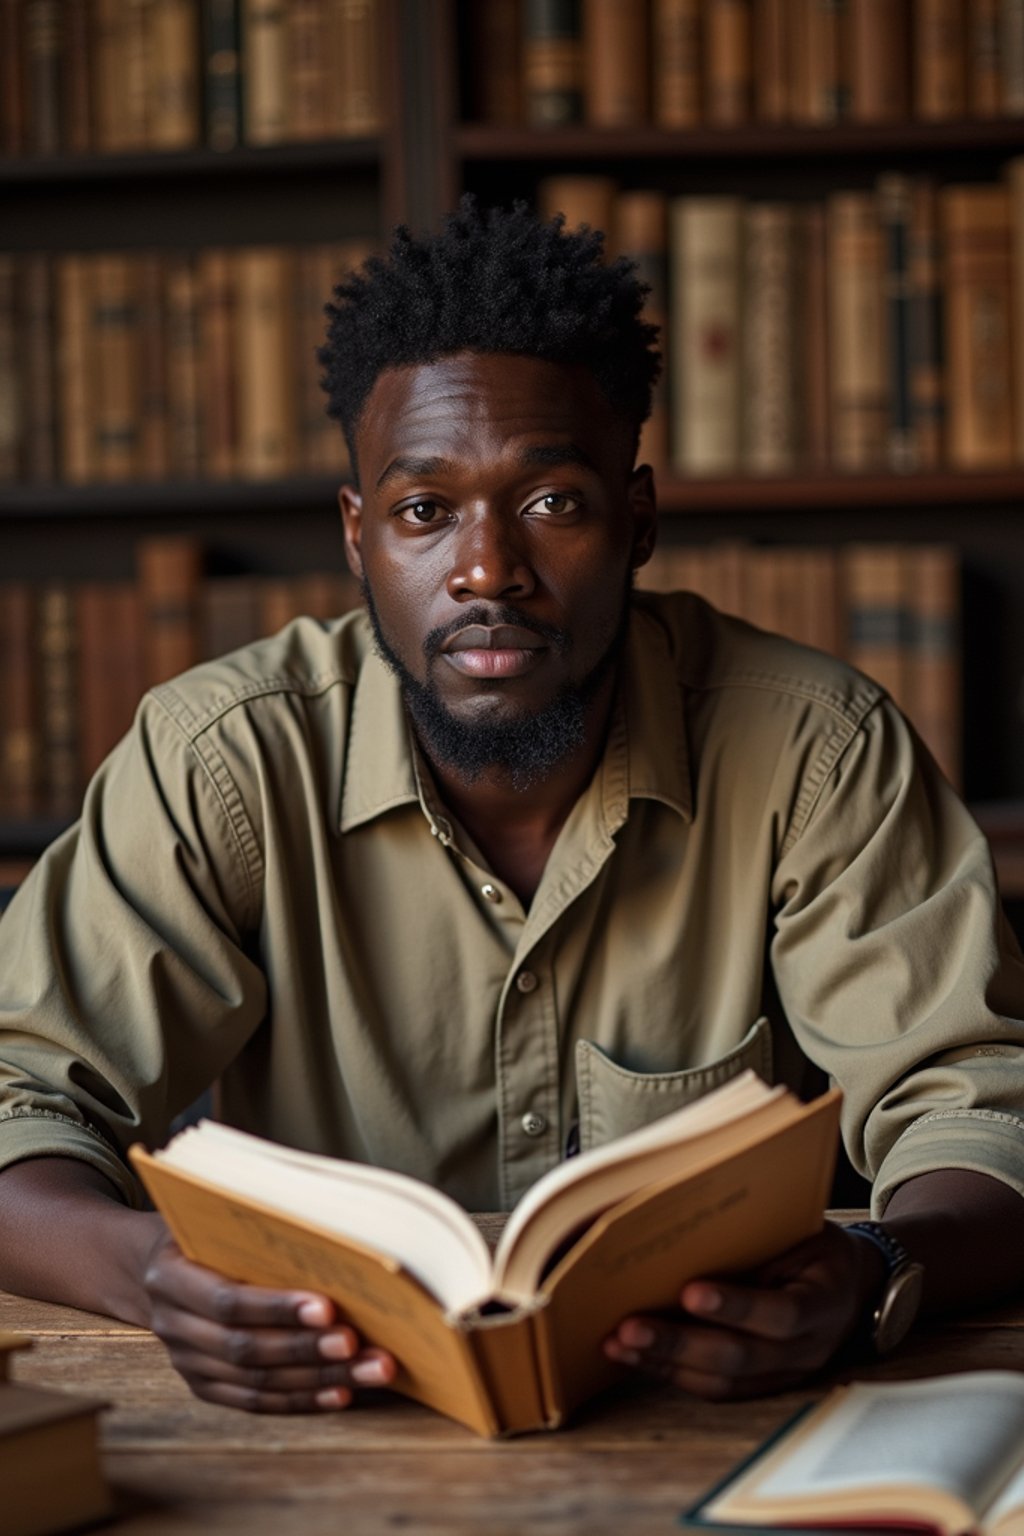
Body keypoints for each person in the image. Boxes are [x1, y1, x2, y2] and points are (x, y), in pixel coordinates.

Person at [1, 200, 1023, 1416]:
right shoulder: (223, 757)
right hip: (336, 1423)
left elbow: (977, 1108)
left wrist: (870, 1269)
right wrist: (153, 1272)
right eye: (424, 511)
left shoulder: (813, 748)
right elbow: (23, 1098)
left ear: (635, 520)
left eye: (551, 503)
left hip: (724, 1416)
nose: (488, 570)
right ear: (358, 535)